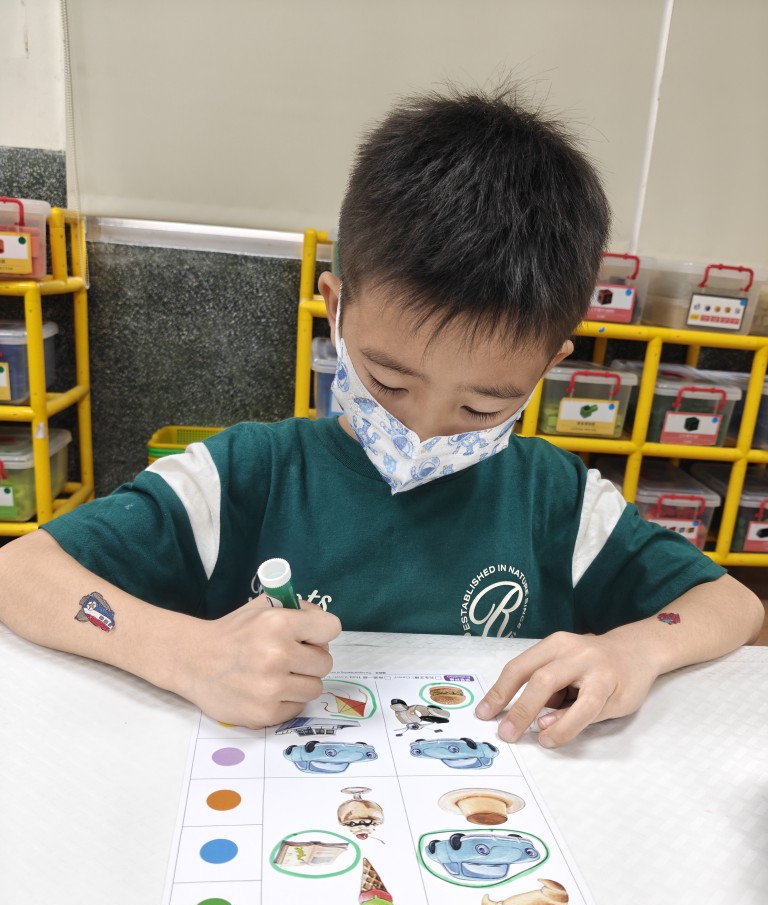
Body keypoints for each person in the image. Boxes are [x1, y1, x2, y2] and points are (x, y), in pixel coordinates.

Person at [0, 87, 762, 747]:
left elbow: (731, 605)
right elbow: (20, 572)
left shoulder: (556, 500)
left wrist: (635, 650)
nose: (424, 430)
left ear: (548, 365)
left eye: (482, 404)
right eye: (391, 381)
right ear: (336, 308)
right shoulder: (246, 475)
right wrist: (183, 653)